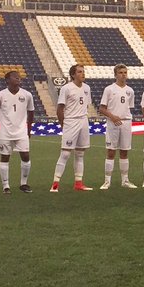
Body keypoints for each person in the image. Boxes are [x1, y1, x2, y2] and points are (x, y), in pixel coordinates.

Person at [0, 70, 35, 193]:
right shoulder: (0, 95)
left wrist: (29, 130)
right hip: (5, 132)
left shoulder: (27, 95)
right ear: (7, 80)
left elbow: (31, 112)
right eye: (15, 77)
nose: (18, 78)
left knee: (26, 156)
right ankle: (6, 186)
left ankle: (24, 184)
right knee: (5, 157)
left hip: (21, 132)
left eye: (19, 77)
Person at [52, 64, 93, 192]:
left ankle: (78, 183)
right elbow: (60, 109)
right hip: (71, 122)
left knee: (80, 153)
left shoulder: (87, 88)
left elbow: (86, 105)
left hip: (83, 121)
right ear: (73, 75)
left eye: (83, 71)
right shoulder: (66, 88)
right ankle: (55, 184)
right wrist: (63, 124)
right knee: (65, 153)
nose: (83, 74)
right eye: (80, 72)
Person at [98, 64, 136, 189]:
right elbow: (102, 108)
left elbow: (129, 108)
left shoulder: (130, 91)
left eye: (125, 72)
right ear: (115, 74)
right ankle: (107, 181)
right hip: (112, 123)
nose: (123, 74)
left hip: (126, 122)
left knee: (124, 151)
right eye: (120, 72)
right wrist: (113, 116)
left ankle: (125, 180)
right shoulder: (109, 89)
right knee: (111, 151)